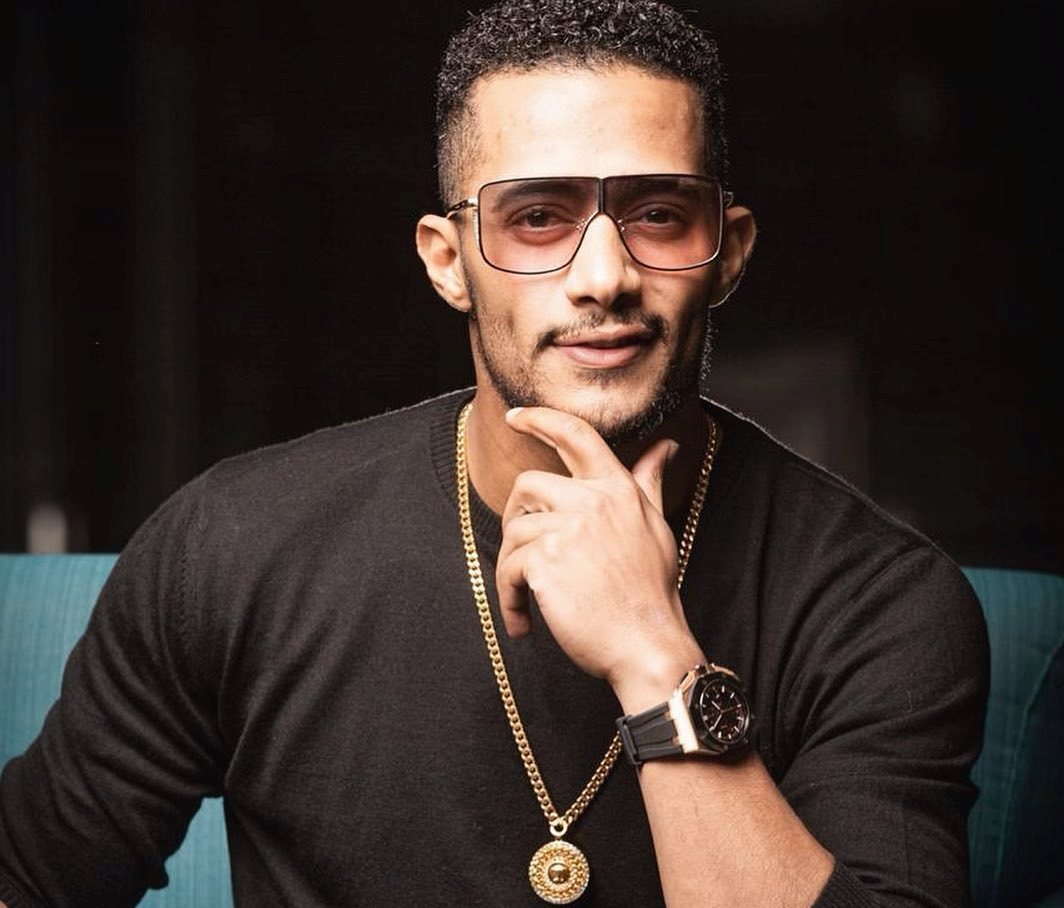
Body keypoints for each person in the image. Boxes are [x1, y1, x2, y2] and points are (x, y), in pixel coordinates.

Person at [0, 1, 989, 906]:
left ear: (726, 250)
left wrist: (654, 659)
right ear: (447, 261)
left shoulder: (880, 601)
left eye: (656, 214)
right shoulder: (235, 544)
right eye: (537, 218)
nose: (603, 276)